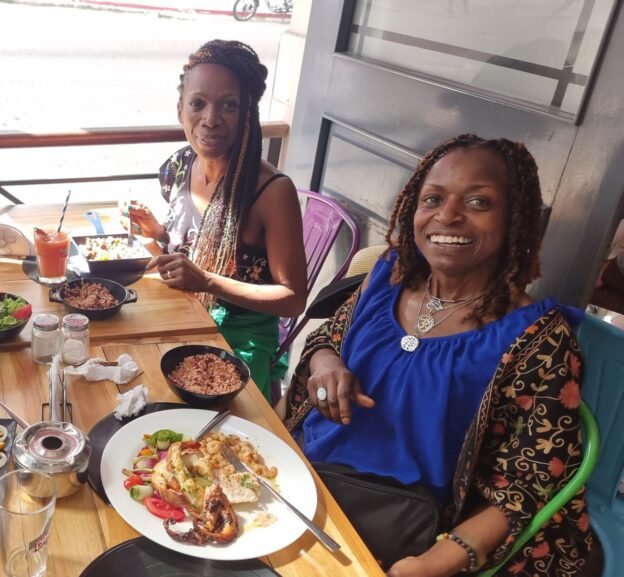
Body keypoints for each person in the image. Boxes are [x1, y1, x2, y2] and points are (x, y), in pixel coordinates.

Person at [283, 135, 602, 576]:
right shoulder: (387, 276)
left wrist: (434, 563)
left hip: (408, 526)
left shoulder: (537, 337)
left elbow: (530, 482)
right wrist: (326, 363)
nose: (448, 215)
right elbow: (327, 341)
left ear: (514, 220)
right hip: (299, 476)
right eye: (433, 198)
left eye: (478, 202)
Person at [136, 40, 308, 403]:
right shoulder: (178, 166)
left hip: (239, 338)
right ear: (180, 108)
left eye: (229, 106)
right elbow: (194, 244)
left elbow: (293, 299)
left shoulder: (272, 192)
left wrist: (207, 281)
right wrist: (158, 232)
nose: (211, 119)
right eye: (198, 104)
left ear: (247, 114)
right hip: (180, 313)